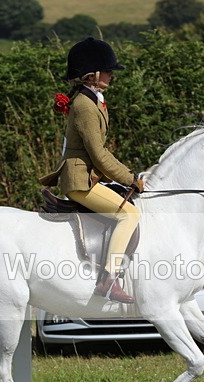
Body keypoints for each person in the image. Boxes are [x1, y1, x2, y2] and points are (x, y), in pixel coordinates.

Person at [41, 37, 144, 304]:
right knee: (129, 214)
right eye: (107, 70)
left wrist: (127, 177)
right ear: (93, 74)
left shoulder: (93, 100)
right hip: (79, 181)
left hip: (89, 177)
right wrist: (129, 177)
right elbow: (98, 153)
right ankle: (108, 280)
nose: (111, 75)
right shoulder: (84, 105)